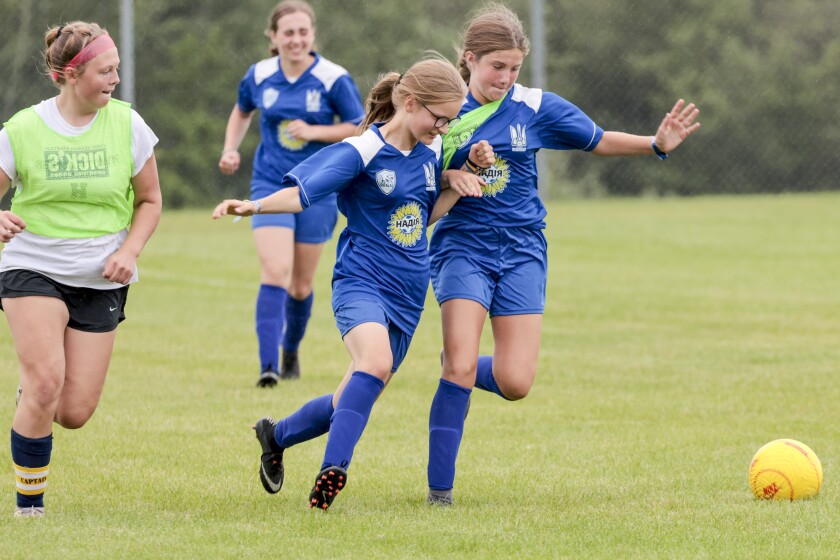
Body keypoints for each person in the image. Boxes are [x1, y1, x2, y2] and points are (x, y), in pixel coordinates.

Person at [425, 4, 701, 506]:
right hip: (463, 248)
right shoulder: (443, 109)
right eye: (496, 67)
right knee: (461, 369)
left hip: (523, 250)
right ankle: (439, 493)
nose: (506, 78)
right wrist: (455, 166)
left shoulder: (536, 106)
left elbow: (597, 141)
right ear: (469, 59)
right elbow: (414, 172)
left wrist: (656, 145)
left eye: (514, 68)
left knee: (515, 382)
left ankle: (456, 361)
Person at [213, 57, 494, 510]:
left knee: (348, 398)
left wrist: (459, 183)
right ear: (409, 102)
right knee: (375, 362)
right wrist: (254, 206)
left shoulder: (429, 154)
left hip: (408, 294)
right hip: (362, 280)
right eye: (438, 118)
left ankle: (276, 435)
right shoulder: (361, 150)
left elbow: (421, 219)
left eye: (449, 120)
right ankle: (332, 472)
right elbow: (304, 192)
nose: (443, 128)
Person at [0, 21, 162, 517]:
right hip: (31, 265)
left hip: (100, 276)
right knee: (48, 382)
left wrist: (129, 252)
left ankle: (38, 386)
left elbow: (151, 201)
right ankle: (31, 507)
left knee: (73, 411)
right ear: (72, 74)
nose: (115, 79)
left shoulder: (128, 125)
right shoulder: (22, 129)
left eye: (116, 68)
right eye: (106, 70)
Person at [218, 0, 365, 387]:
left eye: (303, 32)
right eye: (288, 33)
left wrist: (315, 131)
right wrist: (230, 148)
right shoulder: (260, 74)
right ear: (274, 36)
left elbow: (358, 127)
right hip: (270, 182)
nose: (296, 40)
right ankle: (268, 367)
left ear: (312, 35)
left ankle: (290, 350)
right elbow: (241, 111)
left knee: (301, 286)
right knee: (276, 272)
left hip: (318, 186)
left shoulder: (334, 78)